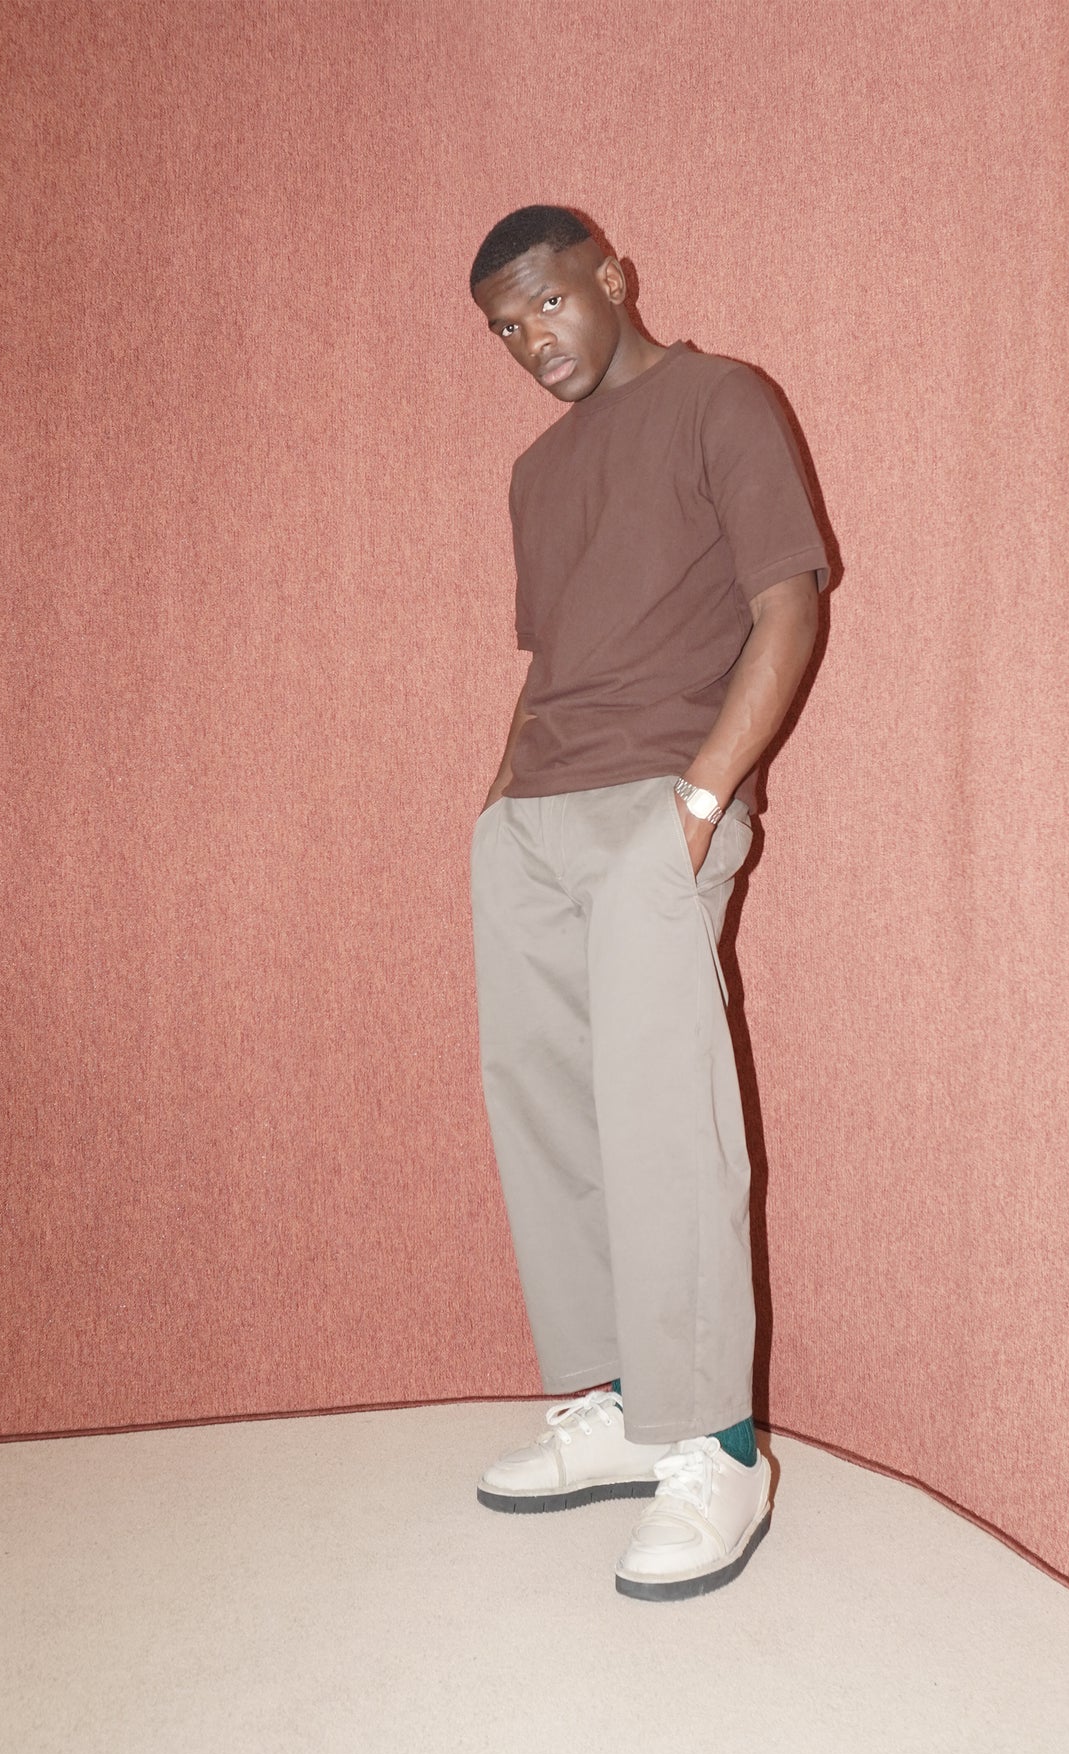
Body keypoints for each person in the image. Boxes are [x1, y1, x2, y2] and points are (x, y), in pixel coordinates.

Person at [466, 205, 828, 1600]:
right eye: (507, 328)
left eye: (549, 304)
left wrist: (699, 804)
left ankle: (721, 1448)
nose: (532, 341)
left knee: (669, 1120)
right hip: (534, 822)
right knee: (553, 1114)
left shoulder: (722, 400)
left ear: (612, 277)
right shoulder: (536, 471)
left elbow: (788, 606)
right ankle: (622, 1406)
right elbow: (555, 657)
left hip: (655, 809)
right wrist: (495, 805)